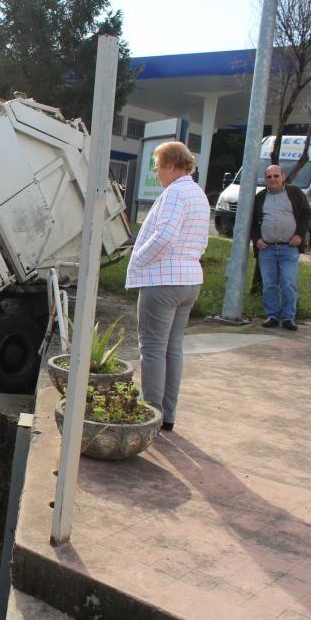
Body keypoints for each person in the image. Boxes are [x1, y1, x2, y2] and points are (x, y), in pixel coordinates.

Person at [126, 142, 209, 433]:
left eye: (158, 166)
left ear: (173, 165)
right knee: (172, 348)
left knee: (152, 348)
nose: (156, 172)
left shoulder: (174, 194)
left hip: (163, 280)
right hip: (189, 279)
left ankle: (151, 413)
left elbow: (164, 237)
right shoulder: (197, 193)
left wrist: (138, 258)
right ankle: (167, 416)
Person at [251, 165, 311, 331]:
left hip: (289, 248)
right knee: (269, 284)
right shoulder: (260, 197)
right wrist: (256, 239)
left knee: (288, 282)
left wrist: (300, 234)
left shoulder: (295, 194)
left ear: (283, 177)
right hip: (267, 249)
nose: (273, 179)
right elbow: (251, 222)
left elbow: (307, 214)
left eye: (276, 176)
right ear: (265, 179)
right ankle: (272, 315)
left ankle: (288, 318)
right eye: (269, 177)